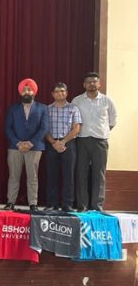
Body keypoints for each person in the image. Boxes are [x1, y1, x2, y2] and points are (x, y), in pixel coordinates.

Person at [71, 72, 117, 212]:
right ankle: (82, 205)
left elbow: (112, 120)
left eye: (94, 81)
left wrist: (102, 132)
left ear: (99, 84)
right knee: (81, 173)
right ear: (84, 85)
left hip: (100, 142)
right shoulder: (77, 101)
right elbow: (72, 120)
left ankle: (97, 205)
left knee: (99, 173)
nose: (92, 84)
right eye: (89, 82)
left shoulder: (107, 101)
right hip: (82, 140)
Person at [3, 78, 49, 211]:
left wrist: (30, 143)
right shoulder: (13, 108)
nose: (26, 92)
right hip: (15, 147)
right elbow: (8, 128)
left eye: (29, 89)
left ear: (34, 91)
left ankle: (33, 204)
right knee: (13, 176)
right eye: (24, 90)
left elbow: (44, 128)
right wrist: (18, 143)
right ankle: (10, 202)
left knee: (32, 176)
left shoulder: (43, 108)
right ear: (20, 92)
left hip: (34, 148)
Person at [45, 82, 82, 212]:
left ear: (66, 93)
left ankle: (67, 204)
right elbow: (44, 129)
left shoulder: (73, 108)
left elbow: (77, 128)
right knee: (51, 174)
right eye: (57, 91)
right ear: (52, 94)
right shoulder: (48, 109)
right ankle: (51, 203)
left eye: (62, 91)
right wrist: (54, 143)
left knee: (69, 175)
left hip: (69, 144)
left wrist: (63, 141)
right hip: (52, 144)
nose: (60, 93)